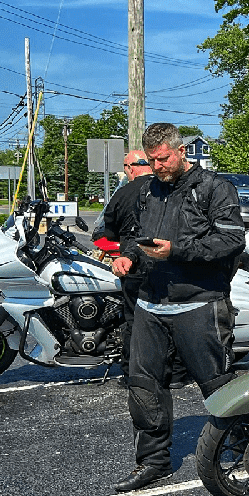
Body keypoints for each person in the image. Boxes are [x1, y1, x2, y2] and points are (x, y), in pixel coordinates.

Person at [110, 123, 246, 492]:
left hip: (199, 302)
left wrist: (178, 251)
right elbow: (137, 239)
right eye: (151, 160)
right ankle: (153, 463)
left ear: (181, 151)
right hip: (150, 303)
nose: (157, 166)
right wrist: (128, 259)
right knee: (142, 387)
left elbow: (231, 242)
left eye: (163, 158)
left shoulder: (215, 188)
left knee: (219, 387)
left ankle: (247, 450)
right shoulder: (147, 191)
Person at [95, 151, 154, 381]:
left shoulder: (124, 192)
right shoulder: (165, 188)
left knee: (134, 318)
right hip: (163, 261)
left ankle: (132, 371)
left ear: (130, 168)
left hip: (133, 261)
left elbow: (107, 230)